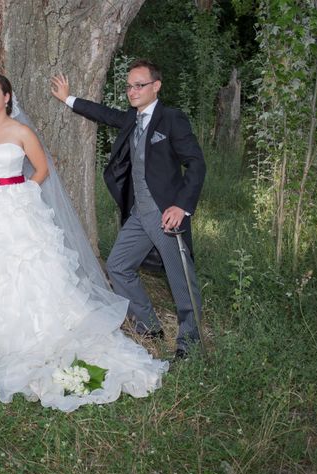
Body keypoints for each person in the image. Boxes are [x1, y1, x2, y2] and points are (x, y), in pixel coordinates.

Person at [0, 74, 168, 412]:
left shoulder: (21, 132)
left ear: (8, 97)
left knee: (21, 266)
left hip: (16, 206)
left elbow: (40, 170)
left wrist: (19, 191)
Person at [51, 60, 206, 360]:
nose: (132, 91)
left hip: (166, 215)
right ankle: (148, 326)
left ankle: (190, 340)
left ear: (156, 86)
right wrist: (68, 98)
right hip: (139, 215)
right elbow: (104, 114)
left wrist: (182, 206)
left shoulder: (172, 119)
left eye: (139, 85)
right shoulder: (133, 120)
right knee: (119, 266)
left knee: (180, 278)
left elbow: (197, 163)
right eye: (129, 86)